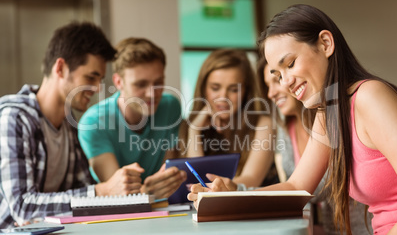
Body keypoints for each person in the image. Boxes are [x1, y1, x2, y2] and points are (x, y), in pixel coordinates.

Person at [188, 4, 397, 235]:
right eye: (278, 75)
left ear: (325, 44)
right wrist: (228, 198)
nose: (286, 82)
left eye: (290, 64)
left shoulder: (371, 96)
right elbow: (296, 187)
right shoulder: (329, 113)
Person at [0, 22, 146, 228]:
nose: (96, 88)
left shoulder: (70, 127)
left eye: (100, 80)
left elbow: (83, 193)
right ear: (60, 68)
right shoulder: (14, 118)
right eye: (90, 77)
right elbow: (23, 207)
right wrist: (102, 191)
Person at [258, 58, 372, 234]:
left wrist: (238, 193)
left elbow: (310, 188)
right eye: (269, 84)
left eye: (278, 79)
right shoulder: (285, 129)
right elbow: (296, 188)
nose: (270, 93)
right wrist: (230, 196)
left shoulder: (343, 113)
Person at [78, 37, 186, 200]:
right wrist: (147, 192)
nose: (152, 93)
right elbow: (118, 193)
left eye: (158, 82)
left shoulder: (170, 107)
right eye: (141, 84)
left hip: (165, 208)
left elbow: (169, 176)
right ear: (118, 81)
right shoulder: (94, 123)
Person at [177, 49, 275, 189]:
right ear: (203, 88)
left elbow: (251, 179)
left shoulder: (263, 124)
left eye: (234, 89)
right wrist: (194, 130)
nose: (223, 97)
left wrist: (218, 188)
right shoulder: (192, 123)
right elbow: (197, 181)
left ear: (246, 91)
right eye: (215, 88)